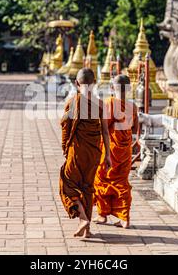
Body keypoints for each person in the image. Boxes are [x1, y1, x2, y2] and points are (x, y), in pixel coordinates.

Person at [59, 68, 112, 238]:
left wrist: (65, 148)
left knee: (67, 184)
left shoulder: (73, 102)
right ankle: (87, 231)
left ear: (76, 83)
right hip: (95, 152)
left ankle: (83, 219)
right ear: (94, 83)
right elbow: (105, 131)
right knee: (87, 187)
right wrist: (108, 155)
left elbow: (65, 127)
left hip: (77, 151)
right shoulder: (100, 104)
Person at [93, 75, 138, 229]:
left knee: (102, 179)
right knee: (122, 182)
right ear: (130, 89)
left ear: (112, 88)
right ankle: (124, 218)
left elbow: (104, 129)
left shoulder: (109, 103)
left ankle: (102, 214)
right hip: (125, 150)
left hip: (110, 149)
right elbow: (134, 129)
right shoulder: (133, 107)